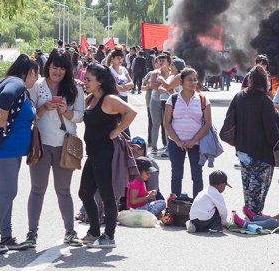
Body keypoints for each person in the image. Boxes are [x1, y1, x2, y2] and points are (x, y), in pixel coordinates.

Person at [24, 51, 85, 249]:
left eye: (62, 68)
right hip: (40, 144)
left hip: (65, 146)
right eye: (54, 67)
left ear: (67, 70)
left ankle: (70, 231)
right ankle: (32, 233)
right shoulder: (37, 85)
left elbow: (80, 116)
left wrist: (65, 111)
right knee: (37, 189)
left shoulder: (75, 87)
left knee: (63, 190)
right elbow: (30, 114)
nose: (57, 71)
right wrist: (44, 108)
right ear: (48, 66)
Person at [0, 55, 39, 254]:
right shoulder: (17, 83)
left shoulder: (16, 83)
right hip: (1, 150)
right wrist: (3, 117)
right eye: (36, 76)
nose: (35, 80)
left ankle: (7, 237)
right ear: (31, 72)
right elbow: (6, 95)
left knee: (7, 192)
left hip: (10, 151)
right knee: (8, 192)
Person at [78, 64, 137, 249]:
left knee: (107, 195)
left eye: (89, 79)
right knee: (84, 193)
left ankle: (109, 236)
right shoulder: (90, 98)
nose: (85, 82)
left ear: (100, 81)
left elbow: (131, 112)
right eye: (85, 78)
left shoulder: (109, 99)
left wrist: (117, 130)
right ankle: (94, 231)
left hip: (106, 153)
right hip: (92, 153)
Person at [224, 66, 279, 214]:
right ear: (265, 81)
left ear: (250, 80)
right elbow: (271, 131)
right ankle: (254, 214)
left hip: (243, 151)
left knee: (248, 185)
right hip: (263, 153)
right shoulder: (265, 101)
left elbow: (229, 121)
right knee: (259, 188)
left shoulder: (239, 97)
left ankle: (249, 211)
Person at [163, 68, 212, 197]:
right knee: (176, 175)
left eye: (195, 79)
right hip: (176, 143)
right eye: (189, 80)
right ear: (182, 82)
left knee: (197, 176)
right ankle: (175, 204)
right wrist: (178, 141)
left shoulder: (203, 99)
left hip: (196, 144)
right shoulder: (173, 99)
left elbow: (208, 124)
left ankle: (198, 203)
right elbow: (166, 123)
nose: (193, 82)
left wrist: (194, 140)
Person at [149, 54, 171, 156]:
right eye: (159, 60)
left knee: (167, 124)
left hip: (167, 101)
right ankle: (154, 147)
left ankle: (168, 146)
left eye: (163, 60)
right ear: (157, 62)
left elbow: (173, 85)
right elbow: (152, 85)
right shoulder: (155, 73)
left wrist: (163, 84)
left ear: (167, 62)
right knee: (155, 124)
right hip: (155, 101)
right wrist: (164, 85)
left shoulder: (171, 73)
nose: (161, 62)